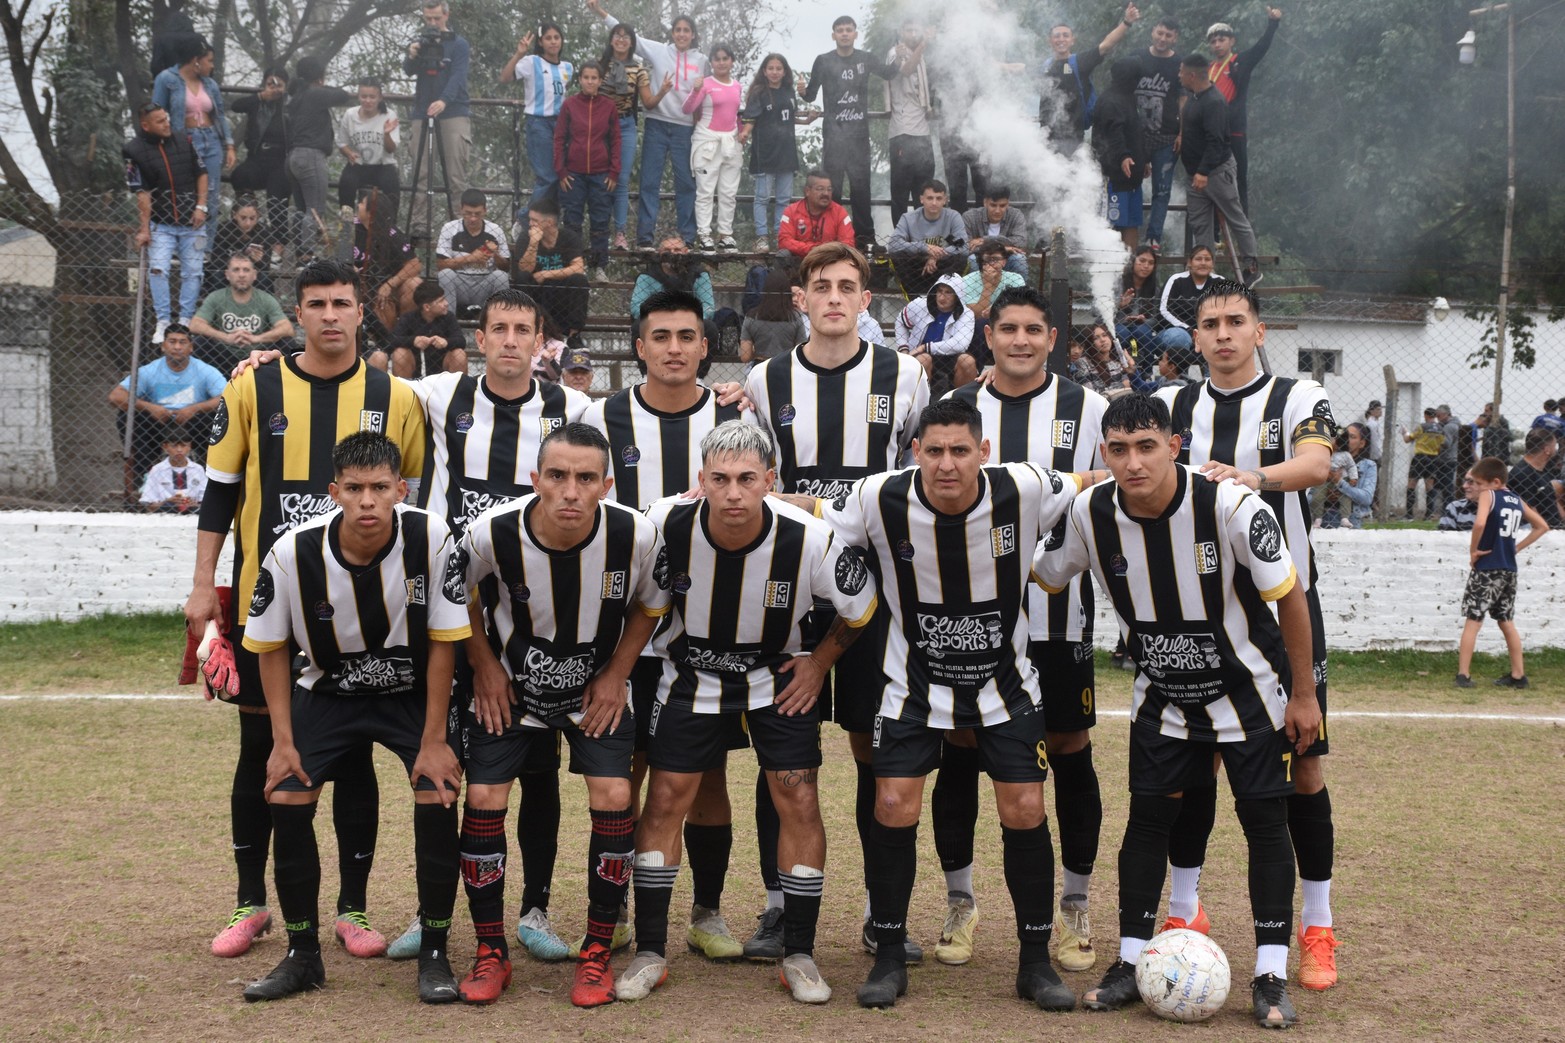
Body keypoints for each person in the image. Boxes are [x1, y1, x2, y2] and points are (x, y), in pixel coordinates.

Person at [1038, 393, 1317, 1030]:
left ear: (1174, 445)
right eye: (1118, 450)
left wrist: (1303, 695)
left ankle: (1271, 973)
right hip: (1161, 695)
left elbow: (1290, 597)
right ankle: (1131, 960)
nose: (1133, 463)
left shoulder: (1232, 506)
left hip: (1248, 692)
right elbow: (1045, 574)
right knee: (1146, 822)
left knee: (1264, 823)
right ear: (1103, 454)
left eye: (1146, 447)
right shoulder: (1089, 513)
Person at [185, 259, 426, 966]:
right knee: (259, 750)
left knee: (350, 753)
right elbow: (220, 495)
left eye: (341, 303)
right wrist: (204, 584)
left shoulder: (396, 397)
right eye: (315, 303)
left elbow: (412, 503)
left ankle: (352, 908)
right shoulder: (252, 387)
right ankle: (249, 900)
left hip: (361, 613)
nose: (329, 314)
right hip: (270, 606)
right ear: (297, 311)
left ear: (360, 312)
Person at [818, 398, 1091, 1011]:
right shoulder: (878, 497)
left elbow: (1088, 483)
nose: (947, 464)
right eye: (934, 451)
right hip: (912, 687)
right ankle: (889, 956)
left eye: (960, 451)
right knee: (891, 803)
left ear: (983, 453)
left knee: (1023, 807)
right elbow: (814, 516)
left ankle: (1033, 962)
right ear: (916, 453)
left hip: (1007, 689)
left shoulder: (1022, 487)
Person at [622, 421, 877, 1005]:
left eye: (745, 479)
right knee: (665, 799)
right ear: (700, 482)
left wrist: (817, 664)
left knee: (800, 799)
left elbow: (861, 608)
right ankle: (651, 952)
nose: (733, 493)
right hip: (689, 677)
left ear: (770, 480)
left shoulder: (809, 537)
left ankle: (800, 956)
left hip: (774, 678)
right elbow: (639, 601)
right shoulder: (664, 523)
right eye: (719, 480)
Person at [744, 242, 929, 964]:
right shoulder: (765, 378)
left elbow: (916, 478)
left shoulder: (905, 374)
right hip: (789, 588)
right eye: (819, 285)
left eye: (846, 286)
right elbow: (761, 484)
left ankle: (883, 916)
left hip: (874, 589)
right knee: (781, 754)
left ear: (865, 301)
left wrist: (819, 502)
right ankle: (776, 905)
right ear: (799, 297)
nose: (832, 297)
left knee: (871, 751)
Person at [1154, 277, 1341, 994]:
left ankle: (1316, 925)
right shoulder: (1172, 404)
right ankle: (1182, 912)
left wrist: (1245, 477)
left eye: (1236, 320)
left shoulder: (1296, 396)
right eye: (1210, 323)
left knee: (1305, 764)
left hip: (1281, 604)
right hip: (1195, 611)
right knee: (1192, 764)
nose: (1223, 332)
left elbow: (1318, 464)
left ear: (1258, 331)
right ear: (1194, 338)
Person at [238, 431, 468, 1004]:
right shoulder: (293, 552)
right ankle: (302, 955)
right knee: (286, 793)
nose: (368, 501)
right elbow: (269, 648)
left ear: (401, 489)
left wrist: (435, 738)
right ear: (334, 491)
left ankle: (435, 952)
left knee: (437, 790)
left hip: (410, 694)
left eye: (381, 488)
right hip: (327, 692)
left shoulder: (433, 537)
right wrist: (282, 742)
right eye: (357, 489)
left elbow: (444, 642)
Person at [455, 423, 669, 1008]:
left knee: (612, 794)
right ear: (536, 480)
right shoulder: (491, 532)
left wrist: (617, 671)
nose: (570, 491)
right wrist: (483, 666)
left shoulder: (635, 534)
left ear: (605, 484)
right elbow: (458, 595)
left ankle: (598, 952)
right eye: (557, 476)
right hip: (510, 691)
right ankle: (489, 950)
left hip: (592, 693)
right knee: (484, 800)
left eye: (584, 478)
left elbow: (652, 603)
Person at [944, 287, 1109, 973]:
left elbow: (1108, 482)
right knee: (958, 744)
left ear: (1052, 338)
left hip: (1056, 607)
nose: (1018, 339)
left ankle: (1073, 900)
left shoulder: (1088, 406)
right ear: (987, 333)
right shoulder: (955, 409)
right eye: (1006, 327)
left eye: (1032, 329)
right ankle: (959, 901)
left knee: (1067, 744)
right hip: (964, 617)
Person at [582, 290, 746, 963]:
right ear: (639, 346)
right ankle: (617, 904)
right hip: (627, 631)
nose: (674, 347)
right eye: (660, 336)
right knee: (628, 769)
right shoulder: (602, 416)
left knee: (706, 778)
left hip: (709, 633)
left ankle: (706, 910)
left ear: (705, 346)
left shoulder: (735, 415)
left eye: (686, 335)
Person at [589, 0, 708, 248]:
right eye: (678, 30)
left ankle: (687, 237)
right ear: (672, 33)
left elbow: (708, 95)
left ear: (693, 35)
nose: (682, 34)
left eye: (686, 30)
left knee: (686, 184)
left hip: (685, 129)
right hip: (656, 124)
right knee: (649, 183)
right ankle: (645, 238)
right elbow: (628, 34)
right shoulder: (659, 51)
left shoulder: (702, 60)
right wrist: (600, 12)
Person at [803, 16, 907, 251]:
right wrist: (801, 92)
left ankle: (864, 240)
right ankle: (832, 237)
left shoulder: (865, 58)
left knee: (862, 189)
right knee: (832, 189)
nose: (844, 34)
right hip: (833, 137)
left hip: (859, 136)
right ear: (833, 35)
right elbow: (810, 95)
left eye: (848, 30)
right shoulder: (823, 60)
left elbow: (888, 73)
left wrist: (900, 57)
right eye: (840, 30)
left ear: (855, 34)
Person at [1454, 456, 1550, 689]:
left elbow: (1479, 524)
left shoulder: (1490, 496)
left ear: (1495, 482)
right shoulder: (1516, 500)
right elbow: (1542, 526)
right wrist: (1515, 548)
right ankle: (1518, 675)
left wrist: (1474, 552)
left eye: (1478, 483)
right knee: (1506, 621)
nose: (1474, 488)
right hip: (1509, 569)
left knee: (1473, 620)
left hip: (1487, 567)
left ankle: (1463, 674)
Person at [125, 103, 209, 346]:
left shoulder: (185, 140)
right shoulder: (133, 150)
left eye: (167, 118)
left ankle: (184, 320)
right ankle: (162, 320)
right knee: (158, 269)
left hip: (193, 223)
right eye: (160, 121)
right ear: (146, 125)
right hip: (160, 224)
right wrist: (144, 228)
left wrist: (201, 206)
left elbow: (202, 173)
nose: (166, 124)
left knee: (193, 272)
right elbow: (141, 191)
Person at [1178, 54, 1261, 286]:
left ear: (1192, 75)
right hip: (1194, 176)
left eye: (1181, 72)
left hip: (1215, 173)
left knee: (1235, 217)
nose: (1179, 76)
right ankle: (1205, 274)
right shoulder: (1194, 97)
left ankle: (1251, 266)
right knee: (1201, 225)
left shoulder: (1214, 102)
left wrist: (1203, 171)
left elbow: (1216, 141)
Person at [109, 324, 226, 482]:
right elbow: (116, 396)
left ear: (191, 347)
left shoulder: (205, 370)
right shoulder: (150, 370)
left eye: (182, 342)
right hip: (157, 424)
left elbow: (226, 397)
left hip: (194, 424)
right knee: (126, 415)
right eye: (172, 341)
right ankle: (142, 482)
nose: (177, 347)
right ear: (163, 346)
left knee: (219, 417)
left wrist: (195, 408)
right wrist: (151, 407)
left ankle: (210, 480)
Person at [403, 0, 472, 238]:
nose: (432, 23)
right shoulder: (419, 42)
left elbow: (458, 76)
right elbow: (408, 70)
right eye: (428, 19)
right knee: (420, 172)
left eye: (436, 18)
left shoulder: (459, 44)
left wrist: (444, 100)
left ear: (446, 15)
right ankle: (419, 225)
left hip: (453, 112)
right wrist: (412, 55)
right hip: (422, 111)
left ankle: (462, 227)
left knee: (455, 175)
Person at [151, 37, 234, 226]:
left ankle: (206, 251)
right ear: (196, 59)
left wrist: (229, 145)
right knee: (185, 194)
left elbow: (219, 115)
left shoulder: (210, 85)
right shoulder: (167, 79)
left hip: (211, 139)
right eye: (209, 61)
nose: (212, 66)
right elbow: (156, 112)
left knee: (211, 196)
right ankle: (182, 248)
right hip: (185, 140)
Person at [1206, 10, 1281, 214]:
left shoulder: (1241, 61)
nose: (1217, 44)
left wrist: (1273, 23)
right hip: (1212, 133)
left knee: (1238, 180)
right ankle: (1214, 234)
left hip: (1234, 131)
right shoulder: (1208, 69)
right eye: (1213, 41)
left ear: (1232, 41)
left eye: (1221, 39)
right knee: (1209, 179)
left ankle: (1241, 229)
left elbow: (1261, 47)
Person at [1036, 4, 1140, 150]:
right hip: (1045, 137)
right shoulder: (1045, 65)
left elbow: (1106, 45)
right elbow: (1019, 68)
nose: (1061, 39)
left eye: (1065, 35)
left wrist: (1127, 22)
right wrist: (996, 65)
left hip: (1071, 137)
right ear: (1050, 41)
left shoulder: (1079, 62)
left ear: (1073, 40)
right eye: (1057, 36)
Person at [599, 22, 664, 252]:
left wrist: (663, 91)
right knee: (599, 179)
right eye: (617, 35)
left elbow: (647, 102)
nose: (621, 39)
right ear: (611, 39)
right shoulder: (600, 66)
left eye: (626, 36)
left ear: (632, 42)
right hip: (600, 127)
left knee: (621, 180)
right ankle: (599, 233)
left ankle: (620, 234)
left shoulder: (638, 69)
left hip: (625, 125)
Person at [285, 56, 355, 262]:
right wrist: (321, 86)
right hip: (311, 155)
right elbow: (342, 96)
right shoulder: (313, 94)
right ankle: (307, 255)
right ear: (319, 78)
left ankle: (300, 253)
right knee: (314, 209)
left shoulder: (295, 95)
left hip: (292, 157)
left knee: (301, 209)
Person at [740, 54, 810, 253]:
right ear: (764, 71)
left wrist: (808, 120)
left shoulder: (789, 91)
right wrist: (744, 133)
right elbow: (750, 119)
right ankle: (761, 237)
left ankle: (782, 236)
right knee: (762, 197)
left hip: (786, 152)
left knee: (783, 199)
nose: (775, 72)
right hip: (765, 153)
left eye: (779, 68)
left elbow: (789, 118)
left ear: (784, 71)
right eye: (771, 68)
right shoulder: (758, 93)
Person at [502, 23, 575, 199]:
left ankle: (549, 222)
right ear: (541, 42)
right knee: (547, 177)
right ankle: (526, 220)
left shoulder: (568, 67)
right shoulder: (532, 62)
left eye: (556, 38)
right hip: (539, 122)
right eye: (548, 38)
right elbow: (505, 78)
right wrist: (519, 54)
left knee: (563, 175)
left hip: (562, 125)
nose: (553, 42)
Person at [683, 45, 743, 252]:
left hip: (731, 143)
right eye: (717, 59)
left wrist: (742, 133)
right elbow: (687, 109)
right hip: (707, 142)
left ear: (732, 60)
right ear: (711, 62)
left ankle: (726, 234)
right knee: (705, 191)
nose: (721, 62)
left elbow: (735, 114)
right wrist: (696, 90)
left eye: (725, 58)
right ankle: (704, 234)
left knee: (728, 192)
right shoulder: (706, 84)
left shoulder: (737, 86)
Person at [190, 253, 295, 372]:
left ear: (254, 275)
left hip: (258, 357)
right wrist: (226, 337)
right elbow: (195, 324)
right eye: (236, 270)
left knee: (287, 343)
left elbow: (287, 329)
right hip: (223, 355)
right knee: (199, 343)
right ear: (227, 274)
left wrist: (256, 338)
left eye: (246, 270)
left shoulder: (265, 299)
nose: (241, 275)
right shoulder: (216, 297)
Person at [511, 196, 591, 342]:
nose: (530, 224)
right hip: (537, 294)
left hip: (560, 293)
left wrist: (547, 273)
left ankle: (574, 335)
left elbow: (578, 268)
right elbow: (524, 269)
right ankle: (525, 328)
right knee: (522, 278)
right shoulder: (526, 237)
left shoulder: (569, 237)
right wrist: (533, 244)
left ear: (549, 222)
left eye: (535, 220)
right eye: (530, 219)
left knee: (579, 280)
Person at [1135, 17, 1183, 252]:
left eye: (1168, 35)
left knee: (1161, 190)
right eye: (1160, 33)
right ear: (1152, 31)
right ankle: (1126, 236)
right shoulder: (1138, 58)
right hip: (1137, 136)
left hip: (1166, 136)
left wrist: (1182, 132)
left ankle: (1153, 239)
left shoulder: (1179, 64)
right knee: (1130, 184)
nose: (1163, 38)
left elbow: (1183, 100)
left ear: (1175, 38)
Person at [1092, 58, 1148, 249]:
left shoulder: (1128, 97)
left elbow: (1136, 132)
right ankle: (1112, 271)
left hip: (1133, 176)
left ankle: (1131, 271)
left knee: (1132, 223)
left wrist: (1144, 160)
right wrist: (1124, 156)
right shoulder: (1110, 101)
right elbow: (1113, 133)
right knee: (1113, 224)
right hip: (1114, 176)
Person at [353, 187, 422, 336]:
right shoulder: (352, 228)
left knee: (414, 284)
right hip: (359, 286)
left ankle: (402, 336)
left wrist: (390, 284)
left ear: (371, 213)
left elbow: (415, 264)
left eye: (362, 203)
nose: (358, 205)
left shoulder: (391, 234)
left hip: (386, 288)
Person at [885, 20, 933, 225]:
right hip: (902, 132)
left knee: (925, 192)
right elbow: (905, 70)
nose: (913, 34)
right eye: (908, 30)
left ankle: (924, 241)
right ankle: (899, 241)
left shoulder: (923, 59)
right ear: (901, 32)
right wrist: (924, 44)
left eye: (916, 30)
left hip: (923, 131)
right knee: (900, 194)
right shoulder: (895, 53)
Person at [895, 273, 975, 395]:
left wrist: (926, 347)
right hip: (921, 354)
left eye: (948, 293)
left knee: (967, 361)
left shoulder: (966, 314)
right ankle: (920, 404)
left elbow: (961, 344)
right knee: (924, 359)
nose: (942, 297)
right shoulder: (920, 304)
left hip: (950, 355)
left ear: (958, 296)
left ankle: (960, 404)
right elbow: (900, 321)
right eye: (939, 291)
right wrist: (903, 349)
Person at [435, 189, 511, 317]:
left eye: (477, 214)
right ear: (461, 209)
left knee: (501, 276)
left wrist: (496, 255)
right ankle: (448, 322)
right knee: (445, 274)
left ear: (485, 211)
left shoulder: (495, 230)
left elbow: (506, 267)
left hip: (485, 283)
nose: (473, 218)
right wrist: (471, 258)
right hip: (460, 284)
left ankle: (500, 320)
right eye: (468, 213)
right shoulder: (449, 228)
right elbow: (441, 264)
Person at [228, 69, 291, 219]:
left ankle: (279, 240)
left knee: (276, 200)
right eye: (270, 84)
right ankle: (250, 214)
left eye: (279, 85)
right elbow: (236, 106)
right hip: (258, 158)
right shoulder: (258, 102)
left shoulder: (290, 104)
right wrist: (261, 96)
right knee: (239, 175)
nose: (275, 89)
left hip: (281, 160)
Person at [888, 179, 968, 296]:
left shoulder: (953, 216)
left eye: (939, 198)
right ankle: (915, 299)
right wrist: (924, 247)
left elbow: (964, 247)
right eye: (930, 198)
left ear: (945, 200)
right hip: (918, 264)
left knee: (960, 259)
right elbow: (893, 245)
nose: (934, 203)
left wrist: (936, 255)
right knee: (898, 257)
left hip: (943, 265)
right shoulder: (908, 218)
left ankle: (941, 295)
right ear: (921, 199)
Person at [336, 77, 401, 220]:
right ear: (358, 97)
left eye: (372, 97)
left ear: (379, 98)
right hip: (358, 164)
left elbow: (391, 149)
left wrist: (386, 134)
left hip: (383, 165)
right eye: (364, 96)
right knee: (346, 183)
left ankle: (390, 226)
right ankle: (346, 223)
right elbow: (342, 143)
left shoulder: (389, 115)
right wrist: (349, 153)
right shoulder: (350, 115)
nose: (368, 101)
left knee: (392, 189)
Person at [387, 280, 467, 378]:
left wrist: (446, 342)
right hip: (414, 366)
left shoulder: (449, 317)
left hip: (442, 367)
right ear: (427, 307)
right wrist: (413, 341)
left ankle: (457, 390)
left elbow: (461, 341)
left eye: (444, 299)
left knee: (459, 354)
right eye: (441, 301)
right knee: (399, 353)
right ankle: (404, 390)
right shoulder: (408, 318)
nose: (446, 303)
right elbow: (392, 340)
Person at [205, 197, 282, 297]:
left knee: (264, 279)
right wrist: (242, 256)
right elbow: (216, 261)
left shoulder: (264, 231)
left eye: (252, 218)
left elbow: (265, 266)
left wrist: (258, 260)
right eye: (243, 218)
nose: (248, 223)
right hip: (229, 270)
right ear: (234, 215)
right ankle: (218, 307)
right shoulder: (224, 230)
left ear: (258, 216)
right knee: (217, 276)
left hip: (252, 272)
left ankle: (263, 308)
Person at [776, 169, 855, 265]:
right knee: (782, 254)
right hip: (800, 262)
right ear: (807, 191)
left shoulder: (840, 212)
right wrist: (812, 249)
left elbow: (848, 243)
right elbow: (784, 241)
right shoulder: (791, 211)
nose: (826, 193)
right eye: (820, 189)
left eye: (829, 189)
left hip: (830, 263)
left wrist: (823, 251)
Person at [630, 236, 715, 322]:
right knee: (638, 326)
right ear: (660, 252)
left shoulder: (699, 275)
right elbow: (636, 307)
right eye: (667, 250)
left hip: (690, 322)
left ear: (685, 251)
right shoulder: (647, 277)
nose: (672, 253)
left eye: (677, 250)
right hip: (656, 322)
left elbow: (708, 307)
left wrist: (689, 320)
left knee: (709, 327)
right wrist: (659, 319)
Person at [961, 238, 1026, 349]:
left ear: (1004, 262)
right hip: (977, 328)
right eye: (987, 260)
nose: (991, 264)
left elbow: (1020, 307)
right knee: (982, 323)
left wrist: (997, 309)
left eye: (995, 259)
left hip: (1007, 322)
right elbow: (974, 315)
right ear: (981, 262)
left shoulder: (1015, 279)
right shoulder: (967, 280)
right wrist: (987, 285)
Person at [1116, 245, 1169, 377]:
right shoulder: (1118, 283)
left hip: (1142, 326)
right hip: (1120, 325)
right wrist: (1119, 306)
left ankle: (1146, 373)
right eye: (1142, 261)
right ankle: (1119, 372)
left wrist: (1144, 319)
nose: (1146, 266)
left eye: (1151, 263)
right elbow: (1098, 312)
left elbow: (1157, 317)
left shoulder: (1154, 289)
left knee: (1143, 332)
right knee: (1122, 333)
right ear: (1133, 261)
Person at [740, 268, 806, 366]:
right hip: (787, 367)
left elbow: (745, 356)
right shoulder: (795, 317)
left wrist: (757, 349)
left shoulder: (751, 316)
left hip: (760, 366)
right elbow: (802, 351)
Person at [960, 187, 1030, 279]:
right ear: (985, 203)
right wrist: (1004, 247)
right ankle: (977, 293)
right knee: (972, 260)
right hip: (981, 258)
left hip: (1007, 258)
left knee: (1019, 259)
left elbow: (1021, 241)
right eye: (993, 205)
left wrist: (985, 240)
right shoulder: (970, 217)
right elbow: (965, 246)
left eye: (1002, 206)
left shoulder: (1016, 215)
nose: (997, 210)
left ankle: (1021, 293)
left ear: (1008, 204)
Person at [1156, 243, 1212, 355]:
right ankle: (1181, 372)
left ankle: (1213, 373)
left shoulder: (1220, 282)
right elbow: (1162, 311)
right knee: (1179, 337)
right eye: (1198, 259)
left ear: (1212, 263)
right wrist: (1188, 330)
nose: (1203, 263)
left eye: (1207, 259)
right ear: (1190, 262)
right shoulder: (1177, 280)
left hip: (1209, 331)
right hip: (1175, 330)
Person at [140, 425, 208, 513]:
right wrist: (167, 501)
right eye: (174, 446)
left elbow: (206, 502)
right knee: (168, 507)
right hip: (165, 512)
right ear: (165, 447)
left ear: (189, 446)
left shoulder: (198, 469)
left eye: (183, 446)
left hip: (192, 512)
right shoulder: (157, 470)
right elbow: (149, 505)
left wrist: (193, 504)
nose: (179, 450)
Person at [1507, 427, 1564, 529]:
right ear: (1547, 450)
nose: (1556, 449)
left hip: (1555, 528)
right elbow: (1529, 511)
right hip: (1540, 532)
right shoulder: (1523, 473)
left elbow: (1552, 500)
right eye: (1554, 446)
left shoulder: (1542, 470)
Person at [1403, 406, 1446, 520]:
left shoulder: (1422, 427)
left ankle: (1409, 515)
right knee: (1429, 487)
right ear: (1435, 416)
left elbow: (1408, 439)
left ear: (1426, 415)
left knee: (1412, 484)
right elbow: (1442, 445)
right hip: (1433, 458)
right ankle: (1428, 514)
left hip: (1420, 458)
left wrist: (1404, 433)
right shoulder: (1440, 428)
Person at [1073, 322, 1133, 397]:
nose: (1102, 340)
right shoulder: (1082, 362)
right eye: (1096, 338)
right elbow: (1089, 394)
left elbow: (1128, 390)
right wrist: (1120, 388)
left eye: (1105, 335)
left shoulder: (1117, 362)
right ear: (1091, 342)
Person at [1335, 422, 1378, 528]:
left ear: (1362, 443)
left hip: (1353, 520)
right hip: (1327, 516)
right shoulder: (1330, 459)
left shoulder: (1368, 465)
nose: (1346, 439)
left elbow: (1367, 498)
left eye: (1352, 437)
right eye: (1344, 435)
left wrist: (1340, 483)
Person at [1434, 403, 1462, 518]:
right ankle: (1446, 511)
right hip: (1451, 458)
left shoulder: (1449, 427)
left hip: (1446, 459)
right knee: (1446, 486)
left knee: (1446, 487)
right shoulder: (1455, 424)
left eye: (1439, 416)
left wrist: (1434, 440)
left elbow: (1446, 443)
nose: (1437, 418)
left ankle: (1446, 511)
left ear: (1446, 414)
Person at [1362, 399, 1384, 463]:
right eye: (1378, 409)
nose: (1380, 411)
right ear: (1371, 411)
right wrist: (1377, 456)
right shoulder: (1372, 424)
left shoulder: (1375, 423)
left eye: (1380, 409)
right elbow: (1374, 441)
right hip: (1373, 457)